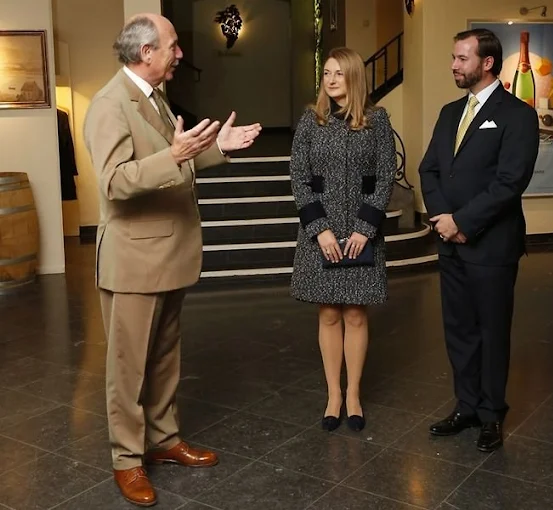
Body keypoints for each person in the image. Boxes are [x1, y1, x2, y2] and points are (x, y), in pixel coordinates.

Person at [83, 13, 261, 507]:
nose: (179, 53)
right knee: (128, 365)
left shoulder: (152, 95)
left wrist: (215, 147)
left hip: (169, 252)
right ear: (146, 53)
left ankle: (162, 440)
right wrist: (177, 153)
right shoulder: (109, 105)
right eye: (173, 45)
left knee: (163, 356)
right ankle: (126, 459)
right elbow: (116, 182)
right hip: (135, 258)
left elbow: (170, 155)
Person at [419, 28, 539, 452]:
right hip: (449, 242)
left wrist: (463, 222)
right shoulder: (450, 112)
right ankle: (466, 406)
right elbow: (429, 168)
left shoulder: (518, 115)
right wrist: (441, 221)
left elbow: (510, 183)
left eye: (462, 58)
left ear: (486, 62)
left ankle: (491, 414)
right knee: (459, 330)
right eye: (453, 58)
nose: (454, 65)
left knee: (491, 331)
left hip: (491, 245)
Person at [290, 47, 397, 433]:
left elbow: (386, 176)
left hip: (359, 231)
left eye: (339, 73)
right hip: (321, 232)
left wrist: (365, 228)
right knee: (330, 313)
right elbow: (299, 178)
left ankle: (353, 394)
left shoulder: (377, 120)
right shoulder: (310, 120)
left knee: (355, 313)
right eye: (327, 73)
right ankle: (333, 394)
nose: (331, 79)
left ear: (354, 76)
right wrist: (319, 229)